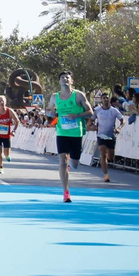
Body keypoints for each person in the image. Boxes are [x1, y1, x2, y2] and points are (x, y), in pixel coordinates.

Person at [43, 72, 94, 202]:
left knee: (75, 163)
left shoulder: (78, 95)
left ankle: (72, 163)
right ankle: (66, 192)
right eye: (62, 78)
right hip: (62, 132)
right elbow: (48, 111)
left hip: (76, 133)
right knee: (62, 161)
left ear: (72, 81)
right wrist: (51, 113)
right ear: (59, 81)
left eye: (67, 77)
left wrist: (77, 116)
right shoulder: (55, 97)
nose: (65, 79)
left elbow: (90, 112)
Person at [92, 92, 122, 182]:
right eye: (103, 98)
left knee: (111, 157)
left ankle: (108, 161)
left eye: (107, 98)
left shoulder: (114, 110)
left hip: (111, 135)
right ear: (101, 100)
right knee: (103, 152)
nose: (105, 99)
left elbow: (122, 120)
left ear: (109, 99)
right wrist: (92, 125)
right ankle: (106, 175)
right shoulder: (97, 110)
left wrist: (119, 128)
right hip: (101, 135)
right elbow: (91, 120)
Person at [0, 95, 17, 171]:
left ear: (5, 102)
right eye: (0, 101)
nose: (1, 102)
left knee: (6, 154)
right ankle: (1, 167)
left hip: (7, 135)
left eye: (3, 101)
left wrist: (14, 130)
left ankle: (7, 156)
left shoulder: (10, 111)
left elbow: (17, 121)